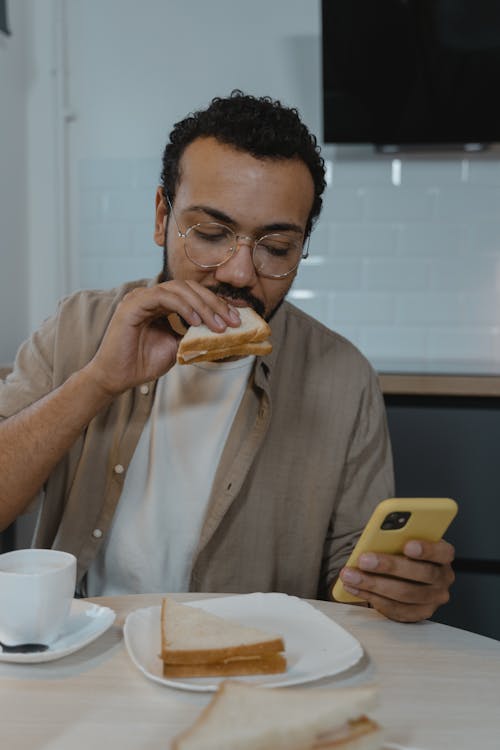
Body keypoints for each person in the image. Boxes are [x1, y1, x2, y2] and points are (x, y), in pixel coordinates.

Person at [0, 91, 454, 622]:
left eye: (277, 248)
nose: (239, 273)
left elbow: (351, 586)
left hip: (253, 666)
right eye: (212, 234)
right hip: (86, 651)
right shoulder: (77, 327)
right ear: (161, 216)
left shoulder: (343, 376)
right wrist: (98, 381)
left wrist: (393, 590)